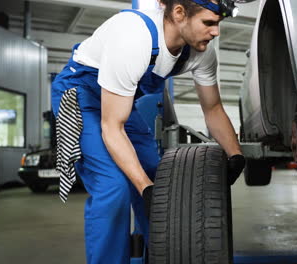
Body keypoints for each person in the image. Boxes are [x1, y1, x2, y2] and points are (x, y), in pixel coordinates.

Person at [51, 0, 246, 262]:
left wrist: (235, 154)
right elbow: (111, 128)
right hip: (80, 96)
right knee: (113, 187)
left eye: (218, 24)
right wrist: (144, 188)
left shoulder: (202, 53)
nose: (216, 32)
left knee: (161, 181)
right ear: (179, 14)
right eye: (208, 23)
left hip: (120, 101)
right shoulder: (134, 38)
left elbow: (212, 108)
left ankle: (160, 256)